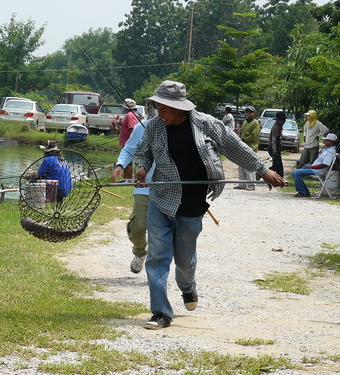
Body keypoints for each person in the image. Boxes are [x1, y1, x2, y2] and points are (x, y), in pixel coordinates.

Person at [134, 80, 285, 330]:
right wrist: (141, 166)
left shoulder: (206, 124)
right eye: (157, 107)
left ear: (180, 108)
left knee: (184, 260)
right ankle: (160, 313)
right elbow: (144, 151)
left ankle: (188, 287)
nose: (159, 113)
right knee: (158, 256)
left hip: (192, 202)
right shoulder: (153, 127)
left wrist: (261, 170)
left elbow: (234, 147)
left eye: (164, 108)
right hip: (161, 198)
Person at [112, 106, 155, 274]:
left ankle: (157, 270)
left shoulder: (179, 128)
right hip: (143, 186)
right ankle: (140, 251)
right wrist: (119, 165)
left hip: (168, 188)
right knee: (137, 227)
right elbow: (129, 149)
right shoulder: (141, 127)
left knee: (162, 232)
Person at [236, 106, 261, 190]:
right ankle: (242, 184)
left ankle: (251, 184)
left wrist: (244, 139)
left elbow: (254, 135)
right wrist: (239, 139)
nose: (248, 113)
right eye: (246, 112)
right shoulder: (245, 122)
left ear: (254, 113)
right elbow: (240, 132)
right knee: (241, 166)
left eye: (250, 112)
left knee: (249, 166)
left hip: (251, 147)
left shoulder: (255, 123)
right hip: (243, 146)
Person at [268, 111, 285, 178]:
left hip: (275, 148)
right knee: (277, 166)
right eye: (281, 120)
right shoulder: (276, 127)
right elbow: (273, 140)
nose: (283, 121)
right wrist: (275, 151)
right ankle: (261, 174)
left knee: (278, 166)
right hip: (273, 148)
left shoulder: (279, 127)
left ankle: (280, 179)